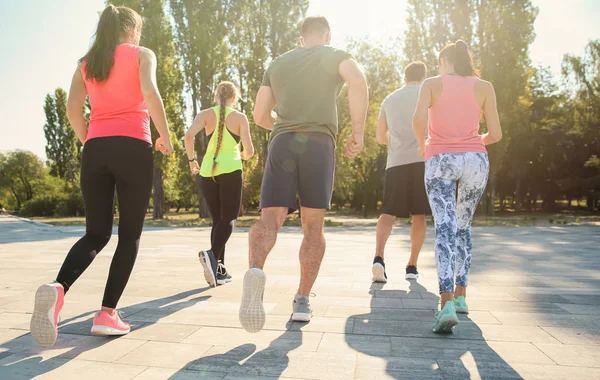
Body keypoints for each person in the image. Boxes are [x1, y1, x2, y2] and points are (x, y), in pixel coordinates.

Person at [30, 5, 173, 346]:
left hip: (95, 149)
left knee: (96, 233)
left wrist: (90, 141)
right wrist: (164, 135)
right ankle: (107, 313)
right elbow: (150, 92)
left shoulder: (87, 62)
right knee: (130, 235)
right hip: (133, 147)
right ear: (131, 30)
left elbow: (71, 109)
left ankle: (58, 287)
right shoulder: (141, 54)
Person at [238, 16, 368, 333]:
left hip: (284, 142)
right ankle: (302, 300)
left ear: (300, 38)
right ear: (327, 34)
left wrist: (285, 124)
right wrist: (359, 133)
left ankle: (255, 270)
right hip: (319, 143)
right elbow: (358, 81)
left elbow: (259, 115)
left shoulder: (278, 63)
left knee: (270, 217)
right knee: (313, 225)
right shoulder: (334, 53)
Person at [412, 40, 502, 333]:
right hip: (476, 161)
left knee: (445, 228)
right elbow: (496, 133)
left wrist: (422, 145)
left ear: (444, 62)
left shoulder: (431, 83)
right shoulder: (484, 86)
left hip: (440, 159)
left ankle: (446, 304)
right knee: (463, 227)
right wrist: (471, 143)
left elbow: (417, 118)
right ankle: (462, 298)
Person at [184, 81, 254, 287]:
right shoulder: (240, 118)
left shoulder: (205, 114)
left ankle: (218, 271)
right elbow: (249, 152)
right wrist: (242, 154)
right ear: (235, 97)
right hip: (230, 171)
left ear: (216, 96)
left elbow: (188, 136)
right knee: (229, 218)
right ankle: (212, 255)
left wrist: (191, 161)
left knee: (218, 221)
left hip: (206, 172)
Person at [373, 61, 430, 283]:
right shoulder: (427, 96)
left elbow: (380, 137)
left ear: (404, 77)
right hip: (422, 160)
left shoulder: (389, 99)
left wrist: (396, 143)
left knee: (388, 212)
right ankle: (412, 266)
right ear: (423, 77)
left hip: (395, 162)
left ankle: (378, 258)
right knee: (419, 214)